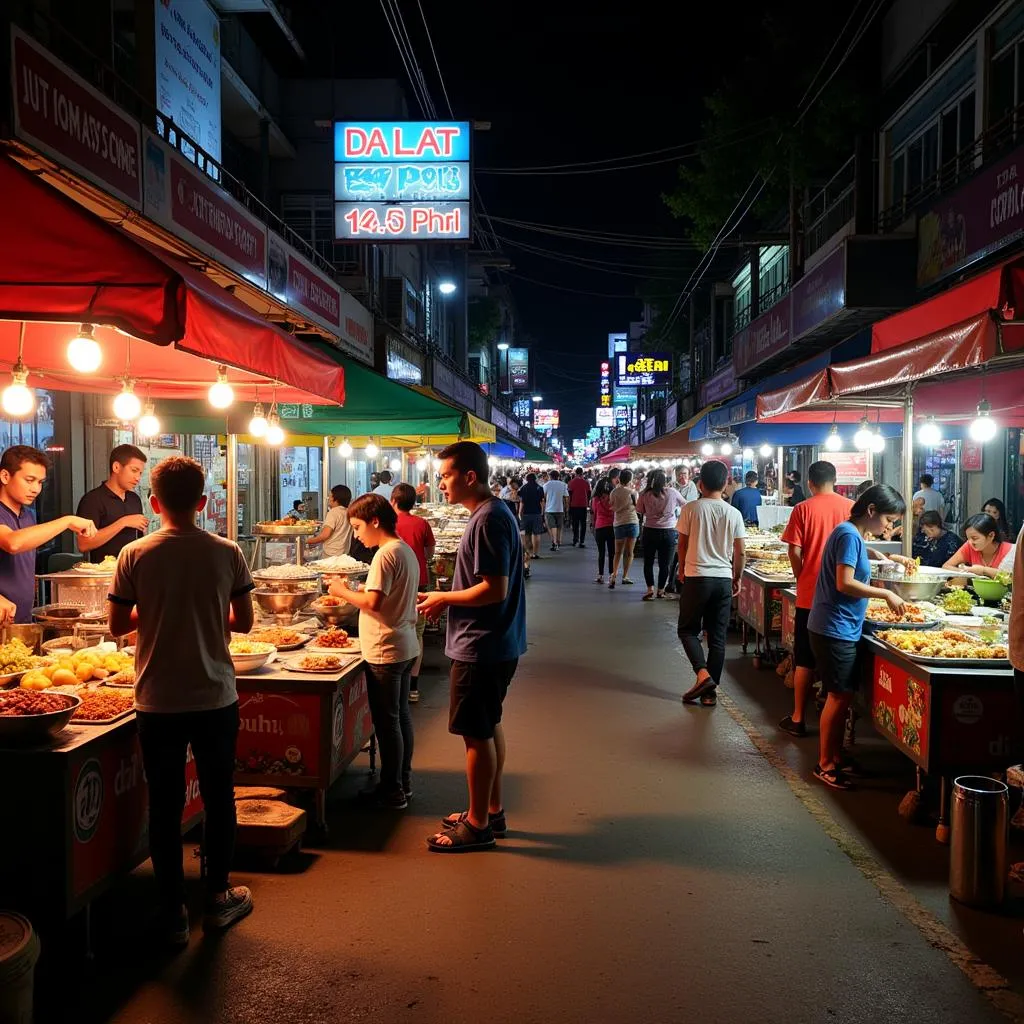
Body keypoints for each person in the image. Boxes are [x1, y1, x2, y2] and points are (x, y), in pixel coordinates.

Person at [108, 456, 255, 945]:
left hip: (156, 699)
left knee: (165, 807)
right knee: (218, 798)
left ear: (152, 503)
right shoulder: (228, 551)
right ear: (204, 502)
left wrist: (155, 616)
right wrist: (209, 619)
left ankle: (171, 914)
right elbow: (246, 623)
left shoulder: (135, 555)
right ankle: (216, 899)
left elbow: (116, 627)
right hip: (215, 695)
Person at [417, 442, 526, 853]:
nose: (440, 483)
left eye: (445, 476)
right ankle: (490, 810)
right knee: (488, 725)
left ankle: (478, 825)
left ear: (468, 477)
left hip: (482, 645)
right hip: (496, 641)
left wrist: (444, 598)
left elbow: (492, 589)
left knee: (475, 736)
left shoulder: (488, 519)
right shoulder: (492, 514)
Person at [808, 484, 906, 791]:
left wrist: (885, 557)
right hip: (834, 627)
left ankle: (837, 756)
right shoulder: (849, 534)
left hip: (837, 625)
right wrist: (886, 592)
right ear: (872, 511)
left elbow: (859, 554)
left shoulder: (851, 533)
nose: (890, 527)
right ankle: (825, 764)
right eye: (889, 520)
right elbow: (845, 582)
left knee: (842, 696)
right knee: (838, 697)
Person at [331, 493, 419, 808]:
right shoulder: (404, 549)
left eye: (357, 527)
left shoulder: (384, 555)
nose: (356, 534)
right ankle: (402, 782)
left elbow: (374, 603)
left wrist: (341, 590)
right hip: (405, 644)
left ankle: (392, 790)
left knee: (387, 723)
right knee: (401, 719)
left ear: (375, 521)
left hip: (386, 650)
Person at [778, 461, 854, 738]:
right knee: (839, 663)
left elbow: (794, 552)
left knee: (805, 658)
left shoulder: (802, 509)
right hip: (845, 597)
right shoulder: (851, 508)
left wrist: (803, 577)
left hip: (810, 595)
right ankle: (839, 727)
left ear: (810, 483)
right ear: (835, 480)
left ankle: (799, 716)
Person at [676, 461, 746, 707]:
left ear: (700, 484)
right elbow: (740, 552)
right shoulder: (733, 513)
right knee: (717, 637)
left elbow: (682, 544)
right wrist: (736, 577)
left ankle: (703, 675)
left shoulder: (691, 509)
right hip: (723, 578)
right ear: (726, 483)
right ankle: (709, 693)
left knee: (687, 630)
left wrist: (682, 569)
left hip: (697, 576)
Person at [0, 446, 96, 623]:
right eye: (29, 480)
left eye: (40, 482)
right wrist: (67, 521)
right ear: (5, 476)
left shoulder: (28, 514)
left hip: (22, 618)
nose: (36, 489)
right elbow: (12, 543)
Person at [390, 482, 435, 704]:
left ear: (393, 501)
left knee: (395, 630)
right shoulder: (422, 523)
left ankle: (397, 685)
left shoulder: (387, 525)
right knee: (417, 633)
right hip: (420, 585)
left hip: (392, 586)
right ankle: (413, 686)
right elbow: (429, 553)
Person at [76, 444, 150, 562]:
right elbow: (84, 544)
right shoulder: (92, 500)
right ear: (116, 467)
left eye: (140, 473)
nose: (137, 478)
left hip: (132, 570)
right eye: (134, 470)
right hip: (103, 575)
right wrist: (123, 522)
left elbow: (139, 540)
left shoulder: (135, 499)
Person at [636, 469, 683, 600]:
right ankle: (661, 590)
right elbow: (685, 504)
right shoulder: (672, 492)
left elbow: (639, 510)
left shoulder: (644, 494)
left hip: (650, 530)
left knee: (648, 562)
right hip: (669, 531)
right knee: (665, 564)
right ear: (665, 480)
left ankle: (650, 589)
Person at [943, 513, 1016, 578]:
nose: (970, 542)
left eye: (975, 538)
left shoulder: (1011, 550)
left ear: (991, 535)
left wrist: (983, 570)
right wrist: (966, 572)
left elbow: (1012, 577)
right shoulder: (969, 545)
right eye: (968, 538)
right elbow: (946, 566)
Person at [608, 468, 639, 588]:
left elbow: (611, 505)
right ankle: (625, 576)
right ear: (630, 480)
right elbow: (638, 506)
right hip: (632, 521)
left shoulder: (614, 492)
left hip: (619, 523)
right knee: (629, 552)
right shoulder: (633, 492)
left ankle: (614, 574)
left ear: (620, 479)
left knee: (617, 552)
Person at [308, 485, 352, 557]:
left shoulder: (333, 512)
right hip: (344, 553)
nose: (328, 499)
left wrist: (308, 541)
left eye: (330, 496)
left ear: (336, 499)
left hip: (331, 554)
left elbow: (325, 535)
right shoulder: (348, 512)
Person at [591, 476, 615, 585]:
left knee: (601, 552)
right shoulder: (613, 498)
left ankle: (600, 575)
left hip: (600, 527)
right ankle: (611, 575)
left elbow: (594, 513)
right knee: (612, 553)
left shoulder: (595, 499)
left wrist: (593, 525)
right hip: (612, 527)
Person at [518, 471, 546, 560]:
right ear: (535, 479)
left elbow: (522, 502)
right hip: (537, 513)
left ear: (526, 479)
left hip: (525, 513)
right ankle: (535, 553)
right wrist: (542, 512)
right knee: (536, 534)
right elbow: (542, 502)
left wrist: (519, 512)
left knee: (526, 534)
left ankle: (527, 553)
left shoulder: (523, 488)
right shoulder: (540, 488)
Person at [543, 469, 569, 551]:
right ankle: (558, 541)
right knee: (559, 526)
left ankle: (554, 542)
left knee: (552, 526)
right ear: (558, 476)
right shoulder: (563, 485)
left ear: (550, 476)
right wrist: (567, 507)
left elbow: (543, 496)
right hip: (560, 508)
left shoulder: (546, 485)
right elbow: (566, 497)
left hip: (549, 509)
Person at [567, 468, 592, 548]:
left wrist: (568, 506)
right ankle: (582, 541)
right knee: (583, 524)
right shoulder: (586, 482)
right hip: (583, 505)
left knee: (575, 523)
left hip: (574, 505)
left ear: (575, 473)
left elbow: (569, 494)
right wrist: (587, 503)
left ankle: (575, 539)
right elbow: (589, 494)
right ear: (582, 473)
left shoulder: (571, 482)